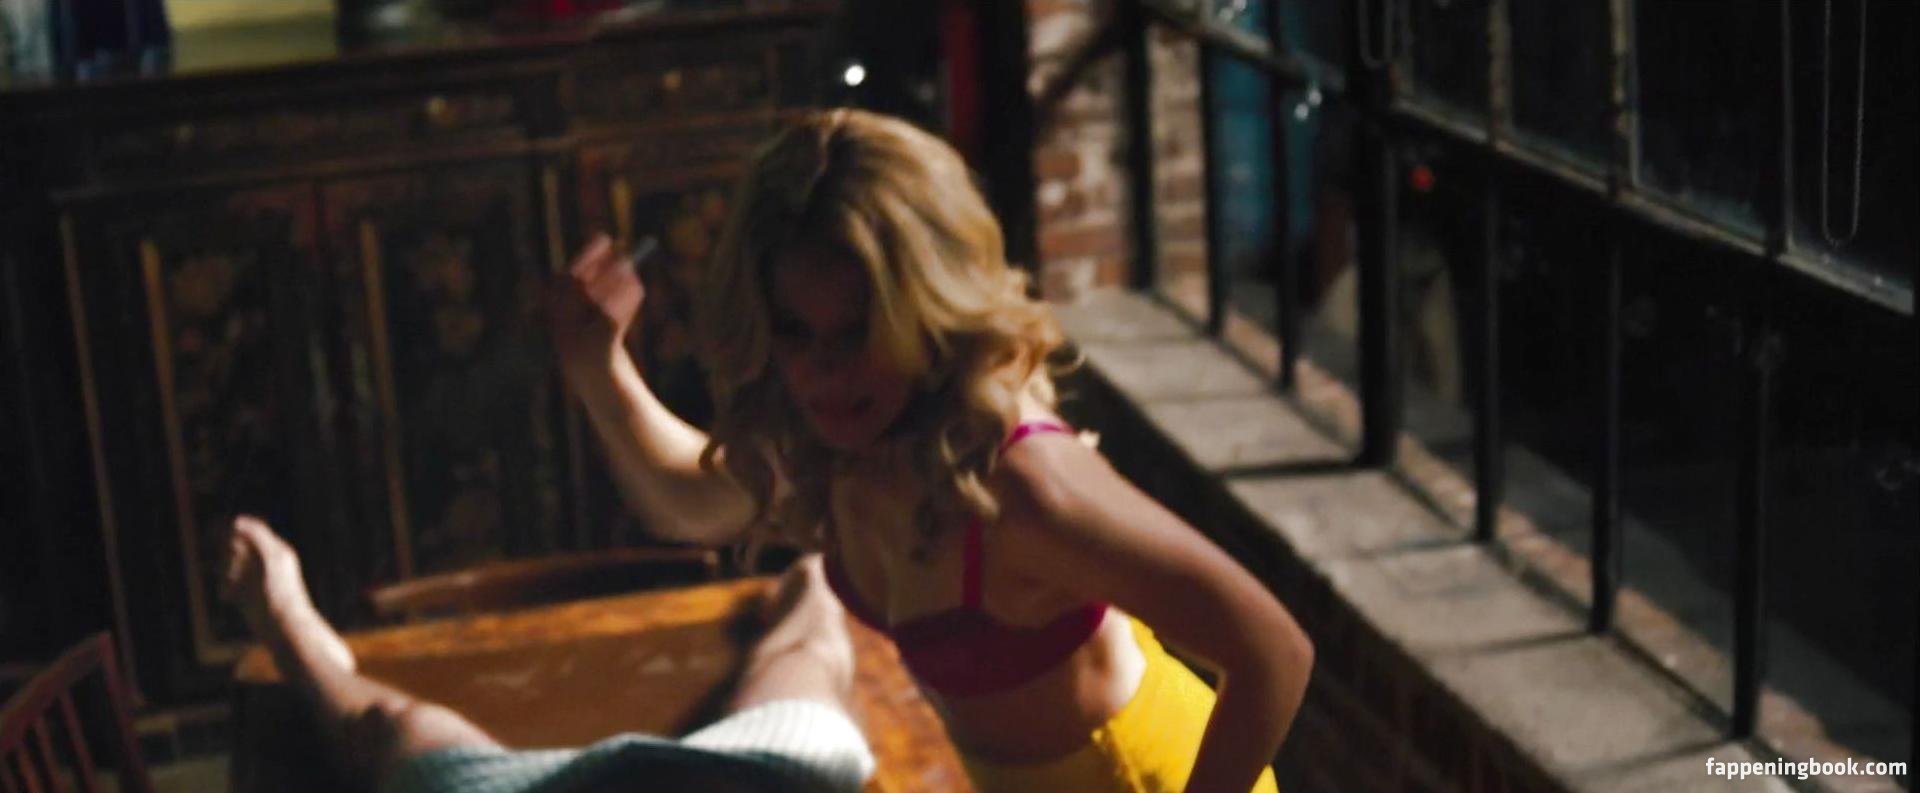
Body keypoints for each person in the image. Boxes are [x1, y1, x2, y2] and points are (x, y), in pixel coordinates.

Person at [549, 107, 1314, 793]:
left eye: (858, 331)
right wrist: (596, 366)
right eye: (795, 331)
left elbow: (1274, 650)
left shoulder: (1022, 484)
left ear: (924, 308)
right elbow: (691, 501)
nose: (823, 371)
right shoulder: (847, 438)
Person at [221, 515, 875, 793]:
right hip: (747, 781)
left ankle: (294, 633)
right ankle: (814, 577)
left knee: (391, 728)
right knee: (809, 647)